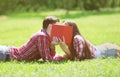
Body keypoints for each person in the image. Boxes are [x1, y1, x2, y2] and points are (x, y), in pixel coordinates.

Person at [0, 16, 65, 62]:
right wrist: (62, 57)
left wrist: (52, 46)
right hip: (5, 54)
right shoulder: (42, 36)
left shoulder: (45, 36)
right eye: (57, 26)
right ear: (50, 26)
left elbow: (50, 57)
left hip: (6, 53)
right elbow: (48, 59)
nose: (58, 29)